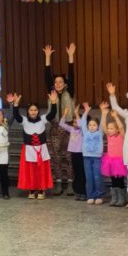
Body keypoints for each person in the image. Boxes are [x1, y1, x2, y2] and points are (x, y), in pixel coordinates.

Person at [44, 43, 77, 196]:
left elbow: (72, 74)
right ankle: (58, 182)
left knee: (69, 157)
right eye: (56, 82)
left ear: (65, 84)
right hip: (55, 128)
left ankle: (70, 183)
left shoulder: (70, 92)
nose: (58, 84)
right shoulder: (51, 93)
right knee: (56, 157)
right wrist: (47, 57)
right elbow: (46, 77)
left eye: (60, 82)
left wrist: (70, 57)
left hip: (69, 128)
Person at [11, 93, 57, 199]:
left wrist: (53, 102)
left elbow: (52, 114)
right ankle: (31, 189)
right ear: (28, 111)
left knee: (41, 170)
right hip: (28, 149)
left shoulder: (43, 119)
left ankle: (41, 189)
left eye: (35, 110)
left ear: (38, 111)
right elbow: (17, 116)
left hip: (41, 149)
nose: (33, 112)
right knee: (30, 170)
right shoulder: (24, 120)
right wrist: (16, 104)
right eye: (31, 110)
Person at [101, 103, 128, 206]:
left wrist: (116, 117)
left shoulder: (121, 136)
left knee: (120, 181)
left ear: (116, 129)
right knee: (113, 180)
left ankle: (122, 198)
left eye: (112, 128)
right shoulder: (109, 136)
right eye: (109, 128)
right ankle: (115, 197)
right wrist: (104, 114)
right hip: (110, 161)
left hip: (119, 161)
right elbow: (103, 126)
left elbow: (121, 127)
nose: (109, 130)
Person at [80, 103, 105, 204]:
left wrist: (103, 112)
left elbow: (103, 123)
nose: (91, 127)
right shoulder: (85, 132)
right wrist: (86, 111)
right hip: (86, 157)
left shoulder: (100, 133)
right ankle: (90, 195)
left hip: (97, 158)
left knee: (97, 176)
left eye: (94, 125)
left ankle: (99, 196)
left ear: (98, 126)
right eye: (90, 125)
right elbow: (82, 122)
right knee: (89, 177)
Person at [59, 104, 85, 200]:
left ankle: (83, 192)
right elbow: (61, 124)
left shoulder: (82, 131)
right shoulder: (71, 129)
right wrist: (65, 114)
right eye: (74, 122)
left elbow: (81, 124)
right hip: (74, 154)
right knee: (76, 174)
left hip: (81, 154)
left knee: (82, 174)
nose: (75, 124)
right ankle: (78, 192)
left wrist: (76, 113)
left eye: (77, 122)